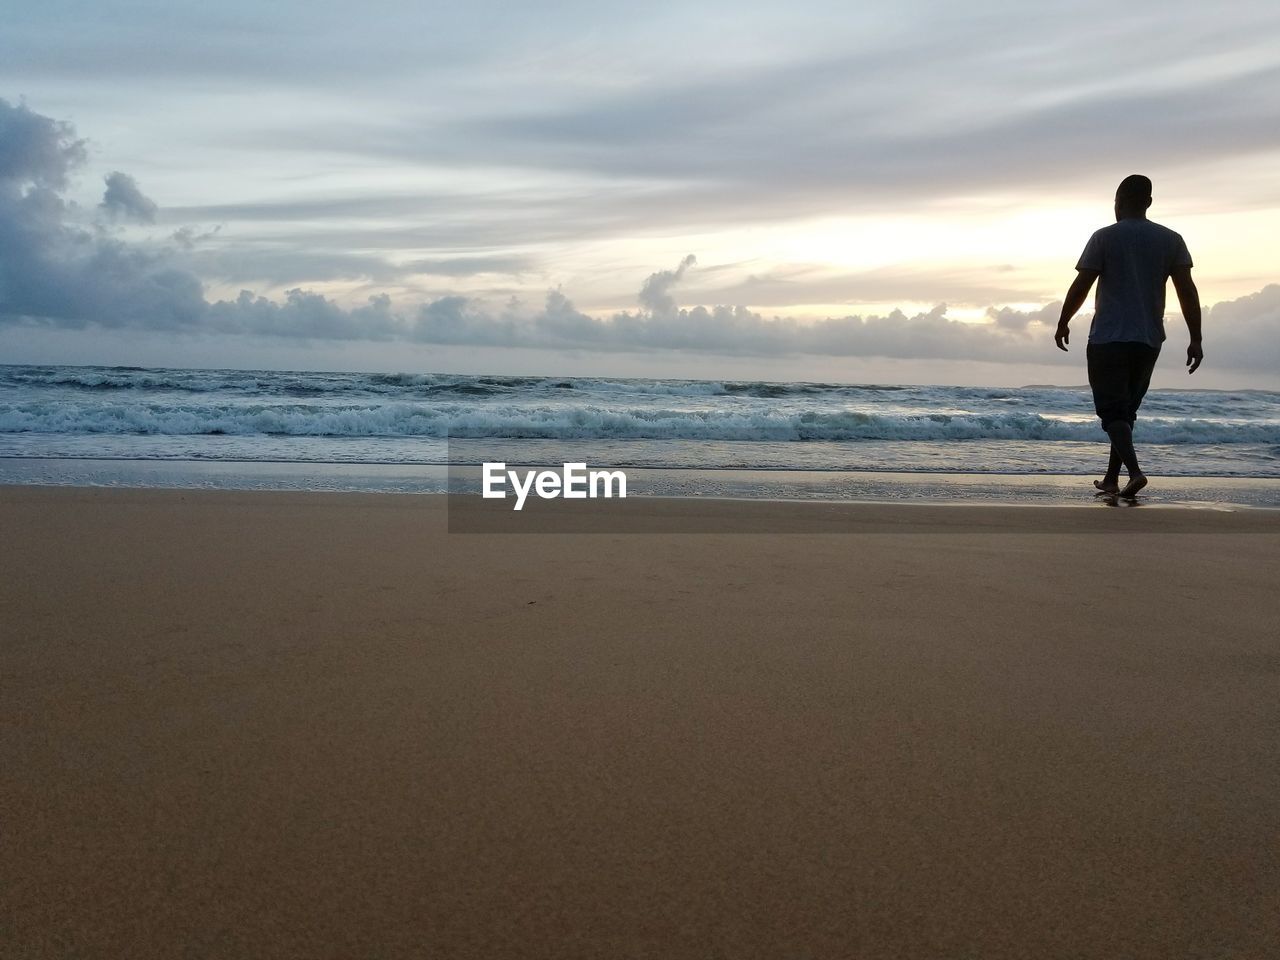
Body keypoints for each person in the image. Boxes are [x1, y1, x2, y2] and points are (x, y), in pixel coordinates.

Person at [1054, 174, 1203, 499]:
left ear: (1118, 202)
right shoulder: (1171, 239)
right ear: (1148, 202)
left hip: (1109, 338)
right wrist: (1196, 338)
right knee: (1125, 412)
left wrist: (1063, 320)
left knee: (1112, 412)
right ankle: (1111, 479)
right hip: (1148, 339)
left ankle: (1135, 473)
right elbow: (1187, 291)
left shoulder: (1104, 237)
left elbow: (1083, 284)